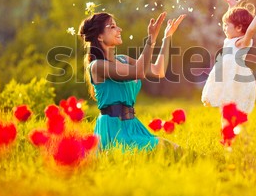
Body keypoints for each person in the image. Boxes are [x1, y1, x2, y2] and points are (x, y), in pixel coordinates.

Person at [79, 11, 185, 151]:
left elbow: (158, 71)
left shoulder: (123, 59)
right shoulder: (97, 66)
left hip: (132, 125)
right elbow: (139, 72)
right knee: (165, 148)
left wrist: (167, 37)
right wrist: (150, 40)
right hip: (114, 130)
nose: (119, 29)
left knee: (174, 149)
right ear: (99, 36)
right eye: (112, 27)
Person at [201, 0, 256, 119]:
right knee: (225, 105)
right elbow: (233, 23)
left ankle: (234, 127)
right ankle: (228, 130)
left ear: (239, 27)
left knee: (233, 105)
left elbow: (250, 30)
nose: (224, 28)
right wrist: (232, 6)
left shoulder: (241, 42)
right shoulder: (230, 39)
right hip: (224, 75)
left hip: (235, 77)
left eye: (226, 25)